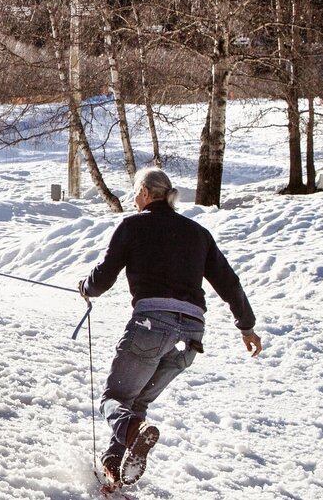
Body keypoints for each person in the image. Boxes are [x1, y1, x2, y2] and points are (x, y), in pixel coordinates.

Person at [77, 167, 262, 487]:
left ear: (147, 194)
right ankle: (114, 465)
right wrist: (247, 326)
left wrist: (85, 288)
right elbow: (229, 282)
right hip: (191, 336)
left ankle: (133, 434)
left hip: (152, 325)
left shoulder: (132, 226)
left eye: (136, 193)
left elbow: (104, 276)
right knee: (136, 402)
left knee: (114, 399)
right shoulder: (197, 233)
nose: (134, 199)